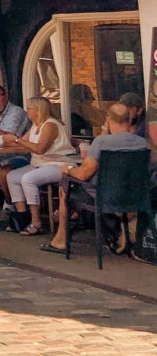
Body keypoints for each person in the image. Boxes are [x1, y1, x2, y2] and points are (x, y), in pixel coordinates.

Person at [45, 103, 150, 254]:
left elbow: (84, 174)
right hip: (135, 197)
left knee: (65, 185)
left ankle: (61, 239)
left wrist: (68, 169)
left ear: (108, 119)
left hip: (104, 198)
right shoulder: (142, 143)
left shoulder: (102, 142)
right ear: (129, 119)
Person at [2, 96, 79, 235]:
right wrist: (2, 140)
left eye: (30, 108)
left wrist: (17, 140)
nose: (27, 111)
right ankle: (22, 217)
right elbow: (21, 142)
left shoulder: (50, 125)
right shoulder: (35, 126)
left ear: (38, 110)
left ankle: (36, 222)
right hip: (40, 163)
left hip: (59, 164)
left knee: (28, 179)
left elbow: (40, 149)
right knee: (12, 176)